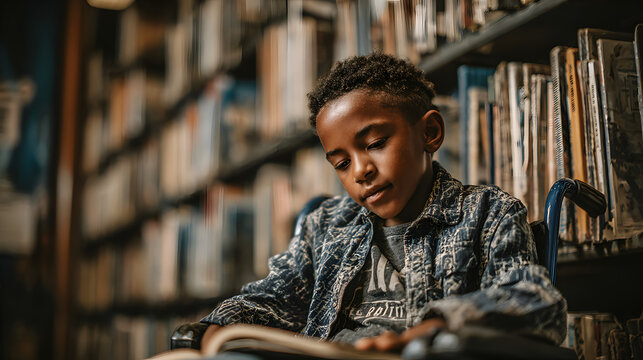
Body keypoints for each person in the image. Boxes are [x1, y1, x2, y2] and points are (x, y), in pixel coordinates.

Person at [199, 53, 567, 353]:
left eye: (375, 143)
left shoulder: (488, 213)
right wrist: (218, 325)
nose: (360, 170)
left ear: (430, 133)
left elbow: (532, 297)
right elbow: (275, 296)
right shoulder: (326, 225)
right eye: (341, 163)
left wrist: (432, 329)